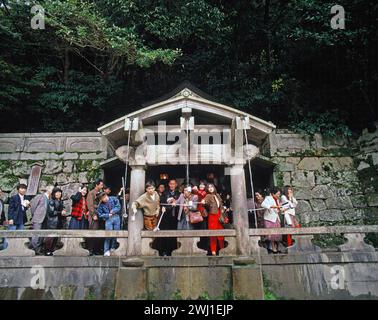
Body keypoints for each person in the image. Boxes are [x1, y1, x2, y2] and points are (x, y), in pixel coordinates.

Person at [3, 183, 30, 249]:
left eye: (24, 188)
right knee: (10, 234)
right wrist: (10, 218)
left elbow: (25, 208)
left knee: (21, 235)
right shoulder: (14, 197)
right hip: (14, 218)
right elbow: (10, 209)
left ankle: (18, 248)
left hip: (22, 218)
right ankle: (5, 248)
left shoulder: (26, 197)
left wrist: (27, 206)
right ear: (18, 190)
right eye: (21, 188)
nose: (23, 190)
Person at [158, 179, 181, 256]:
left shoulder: (179, 193)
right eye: (170, 184)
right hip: (166, 216)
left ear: (176, 185)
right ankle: (165, 251)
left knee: (174, 233)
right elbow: (161, 202)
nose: (172, 185)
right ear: (169, 184)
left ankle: (173, 250)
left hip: (175, 216)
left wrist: (175, 201)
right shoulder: (165, 193)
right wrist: (165, 205)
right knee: (166, 233)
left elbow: (181, 203)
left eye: (173, 184)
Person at [202, 183, 225, 256]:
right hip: (212, 215)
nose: (210, 188)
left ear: (214, 187)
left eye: (211, 187)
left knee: (220, 233)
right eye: (209, 187)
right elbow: (204, 202)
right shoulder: (208, 196)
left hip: (219, 215)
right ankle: (213, 251)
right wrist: (203, 202)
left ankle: (222, 249)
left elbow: (221, 205)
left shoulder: (217, 195)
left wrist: (223, 210)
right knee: (213, 234)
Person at [30, 185, 54, 254]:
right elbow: (33, 207)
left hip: (45, 219)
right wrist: (34, 215)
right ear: (48, 190)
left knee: (41, 235)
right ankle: (34, 250)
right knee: (36, 234)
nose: (53, 191)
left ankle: (38, 249)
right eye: (52, 190)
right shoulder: (39, 196)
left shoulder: (50, 199)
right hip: (38, 218)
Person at [97, 191, 121, 256]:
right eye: (103, 198)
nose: (105, 199)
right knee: (108, 234)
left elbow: (118, 206)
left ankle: (113, 248)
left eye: (105, 197)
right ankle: (106, 250)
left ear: (106, 195)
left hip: (116, 217)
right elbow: (99, 214)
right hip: (108, 219)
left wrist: (113, 210)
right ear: (101, 199)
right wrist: (107, 215)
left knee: (116, 233)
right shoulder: (101, 205)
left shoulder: (113, 198)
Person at [261, 187, 283, 254]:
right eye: (277, 194)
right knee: (272, 234)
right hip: (269, 218)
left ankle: (277, 247)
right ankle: (273, 248)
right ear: (273, 193)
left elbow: (277, 210)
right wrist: (275, 206)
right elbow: (263, 205)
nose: (278, 196)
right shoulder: (268, 198)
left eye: (279, 194)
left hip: (276, 218)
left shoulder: (277, 200)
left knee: (278, 234)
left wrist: (280, 208)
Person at [44, 187, 66, 255]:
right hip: (52, 222)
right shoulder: (52, 201)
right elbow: (51, 212)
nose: (58, 193)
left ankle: (52, 250)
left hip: (58, 221)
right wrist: (60, 212)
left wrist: (63, 210)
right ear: (53, 193)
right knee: (50, 237)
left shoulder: (60, 201)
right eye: (56, 192)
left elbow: (61, 208)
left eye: (59, 192)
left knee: (56, 237)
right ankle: (47, 250)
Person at [86, 178, 104, 255]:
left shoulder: (101, 193)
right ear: (97, 185)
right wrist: (93, 215)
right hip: (94, 214)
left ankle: (97, 249)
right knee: (93, 231)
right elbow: (90, 205)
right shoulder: (91, 193)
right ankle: (90, 249)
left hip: (100, 214)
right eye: (101, 185)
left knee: (99, 233)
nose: (102, 186)